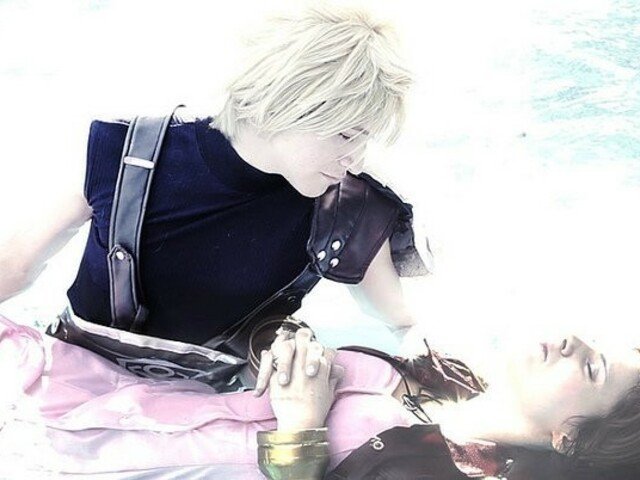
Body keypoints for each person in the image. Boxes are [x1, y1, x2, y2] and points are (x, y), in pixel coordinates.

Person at [0, 7, 430, 388]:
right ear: (286, 104)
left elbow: (402, 321)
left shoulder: (349, 207)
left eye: (366, 139)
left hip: (214, 413)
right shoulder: (129, 154)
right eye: (347, 135)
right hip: (71, 385)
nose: (356, 159)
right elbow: (17, 263)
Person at [1, 313, 639, 479]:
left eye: (592, 369)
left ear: (571, 438)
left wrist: (301, 424)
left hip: (96, 460)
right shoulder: (449, 378)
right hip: (108, 393)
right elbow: (263, 356)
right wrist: (288, 341)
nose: (575, 341)